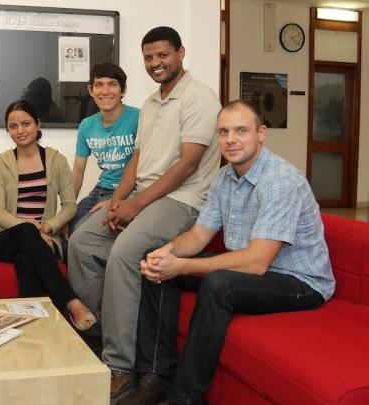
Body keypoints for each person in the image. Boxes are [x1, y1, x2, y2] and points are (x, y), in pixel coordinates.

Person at [121, 100, 335, 405]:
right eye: (224, 132)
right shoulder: (224, 178)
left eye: (241, 131)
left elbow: (258, 262)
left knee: (219, 283)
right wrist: (166, 253)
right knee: (154, 258)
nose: (231, 139)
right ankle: (157, 373)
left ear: (261, 133)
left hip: (299, 283)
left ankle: (184, 398)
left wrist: (180, 267)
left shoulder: (279, 181)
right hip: (255, 271)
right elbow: (198, 235)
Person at [67, 26, 221, 397]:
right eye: (149, 57)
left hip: (182, 200)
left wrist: (137, 203)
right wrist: (120, 199)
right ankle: (102, 337)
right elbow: (137, 158)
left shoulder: (199, 98)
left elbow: (187, 164)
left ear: (181, 53)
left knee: (123, 253)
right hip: (144, 193)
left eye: (163, 55)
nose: (155, 63)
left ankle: (120, 366)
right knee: (82, 241)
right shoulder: (152, 103)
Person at [0, 100, 95, 330]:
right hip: (3, 239)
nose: (20, 131)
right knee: (26, 230)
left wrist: (48, 227)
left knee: (26, 260)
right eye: (13, 126)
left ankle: (36, 330)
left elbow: (69, 205)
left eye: (25, 123)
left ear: (37, 124)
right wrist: (34, 229)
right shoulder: (0, 163)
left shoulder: (56, 160)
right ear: (7, 130)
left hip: (45, 237)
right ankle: (71, 301)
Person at [69, 63, 140, 234]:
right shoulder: (86, 125)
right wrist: (67, 209)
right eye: (99, 85)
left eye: (112, 84)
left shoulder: (139, 118)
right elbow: (78, 170)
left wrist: (116, 200)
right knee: (68, 227)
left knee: (81, 232)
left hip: (131, 190)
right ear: (91, 90)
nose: (105, 91)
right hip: (102, 187)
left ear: (123, 90)